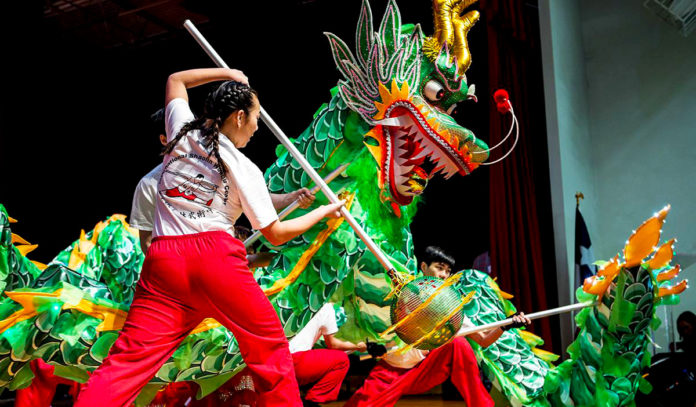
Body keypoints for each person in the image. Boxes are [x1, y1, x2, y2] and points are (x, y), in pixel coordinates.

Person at [74, 67, 345, 407]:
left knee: (127, 362)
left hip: (164, 264)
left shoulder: (182, 132)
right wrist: (324, 211)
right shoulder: (245, 167)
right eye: (256, 117)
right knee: (269, 346)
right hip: (215, 261)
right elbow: (275, 234)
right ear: (239, 116)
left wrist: (228, 73)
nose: (258, 126)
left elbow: (175, 80)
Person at [344, 246, 531, 407]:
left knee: (458, 344)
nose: (443, 275)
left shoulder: (450, 307)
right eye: (439, 268)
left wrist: (508, 324)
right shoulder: (401, 291)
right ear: (424, 267)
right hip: (390, 370)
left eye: (448, 271)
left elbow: (484, 340)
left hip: (424, 369)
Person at [149, 303, 366, 407]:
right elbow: (334, 345)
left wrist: (358, 347)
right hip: (275, 361)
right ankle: (312, 402)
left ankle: (311, 403)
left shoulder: (322, 306)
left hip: (273, 362)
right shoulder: (288, 293)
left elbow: (334, 343)